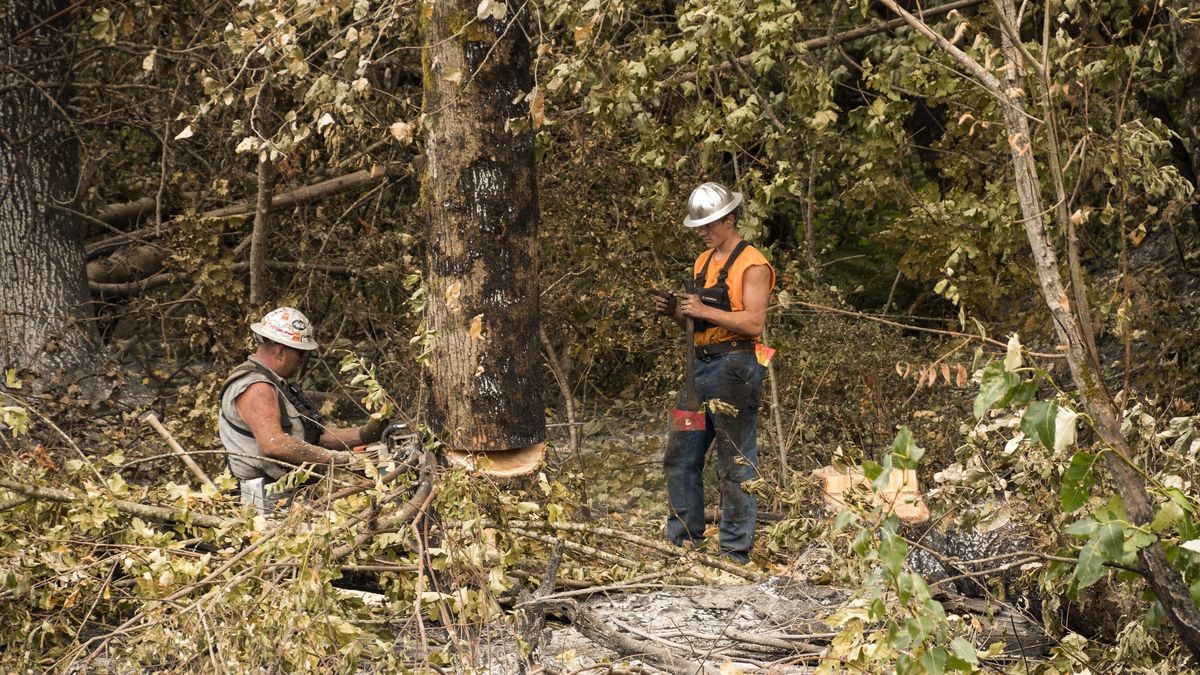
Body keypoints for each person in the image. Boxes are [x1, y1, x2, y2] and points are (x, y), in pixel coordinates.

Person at [651, 182, 776, 563]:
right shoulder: (702, 264)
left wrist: (703, 310)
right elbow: (695, 323)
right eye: (699, 226)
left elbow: (754, 323)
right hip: (698, 366)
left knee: (734, 458)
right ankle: (686, 543)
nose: (702, 232)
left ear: (730, 219)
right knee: (680, 452)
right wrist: (674, 310)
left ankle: (735, 551)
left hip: (735, 367)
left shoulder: (753, 264)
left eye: (708, 225)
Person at [218, 306, 385, 513]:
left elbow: (315, 436)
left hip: (287, 493)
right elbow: (274, 444)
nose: (301, 362)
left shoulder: (278, 384)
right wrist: (336, 459)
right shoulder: (256, 387)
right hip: (263, 502)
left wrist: (364, 435)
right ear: (280, 351)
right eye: (300, 355)